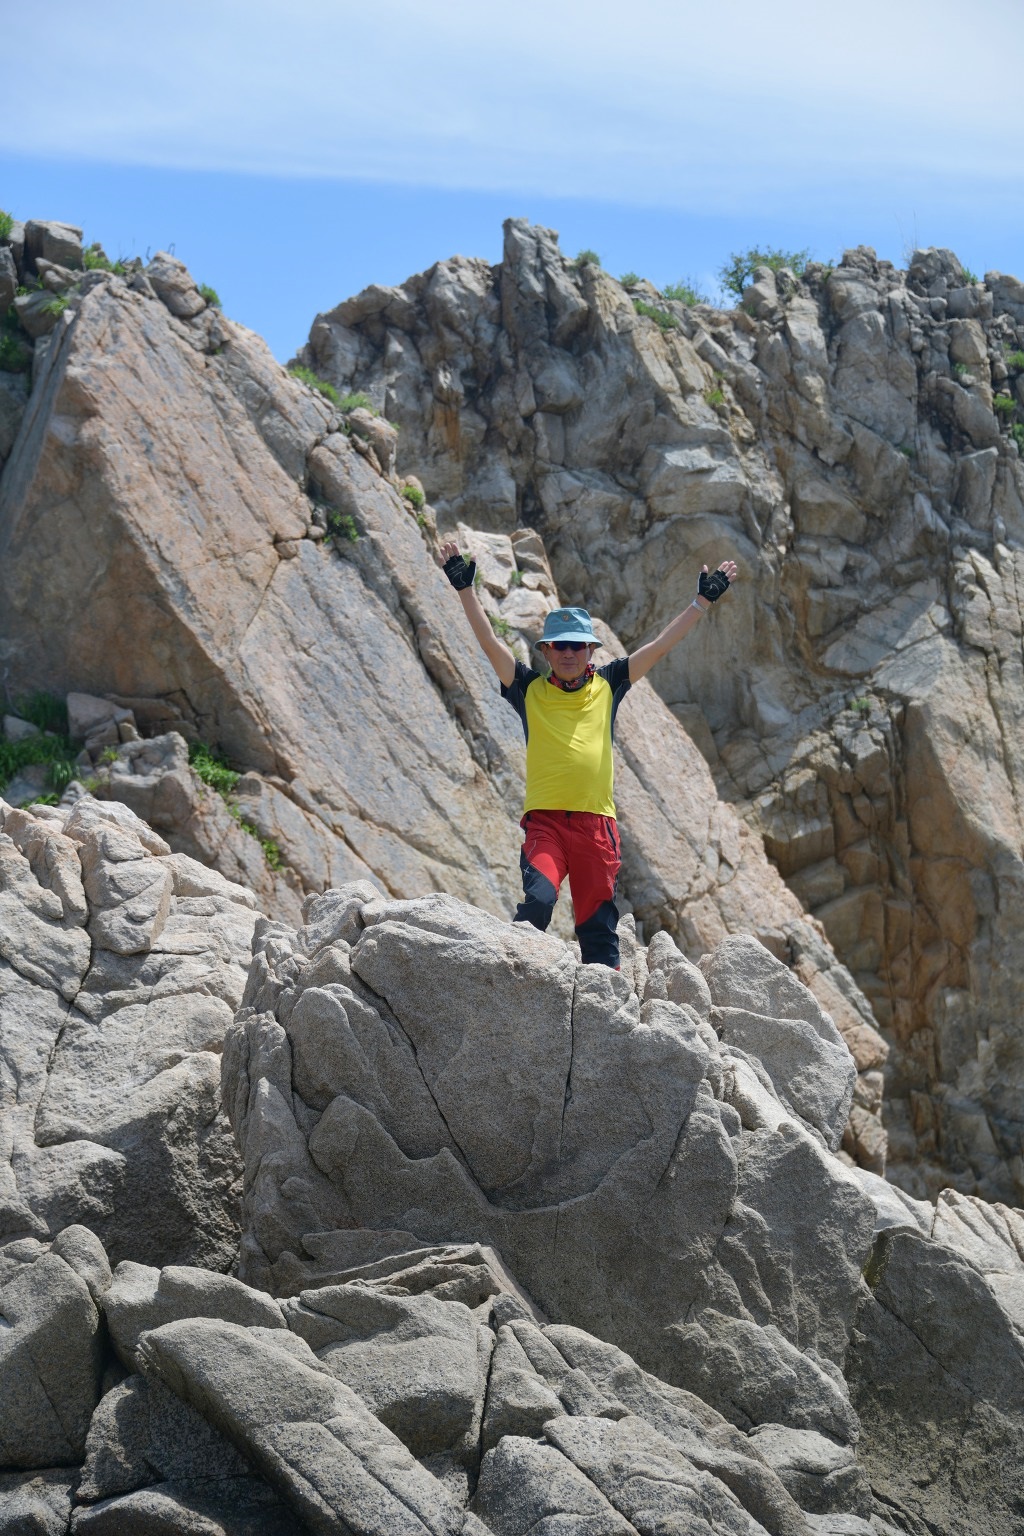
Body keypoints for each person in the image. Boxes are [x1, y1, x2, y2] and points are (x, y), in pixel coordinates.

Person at [440, 540, 738, 968]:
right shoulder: (527, 689)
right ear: (545, 650)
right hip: (545, 824)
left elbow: (659, 647)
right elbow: (490, 643)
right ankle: (510, 976)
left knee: (597, 928)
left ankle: (606, 1000)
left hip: (596, 826)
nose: (568, 653)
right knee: (538, 902)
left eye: (576, 646)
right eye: (559, 646)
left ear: (591, 650)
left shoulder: (610, 683)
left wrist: (700, 604)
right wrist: (466, 591)